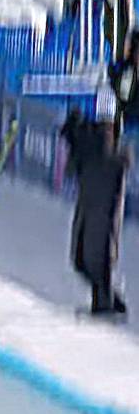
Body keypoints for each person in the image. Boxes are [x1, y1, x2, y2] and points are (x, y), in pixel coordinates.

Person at [60, 106, 131, 317]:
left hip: (101, 213)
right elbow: (71, 171)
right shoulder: (89, 147)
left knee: (96, 260)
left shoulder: (110, 156)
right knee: (81, 259)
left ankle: (104, 304)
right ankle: (107, 300)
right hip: (88, 207)